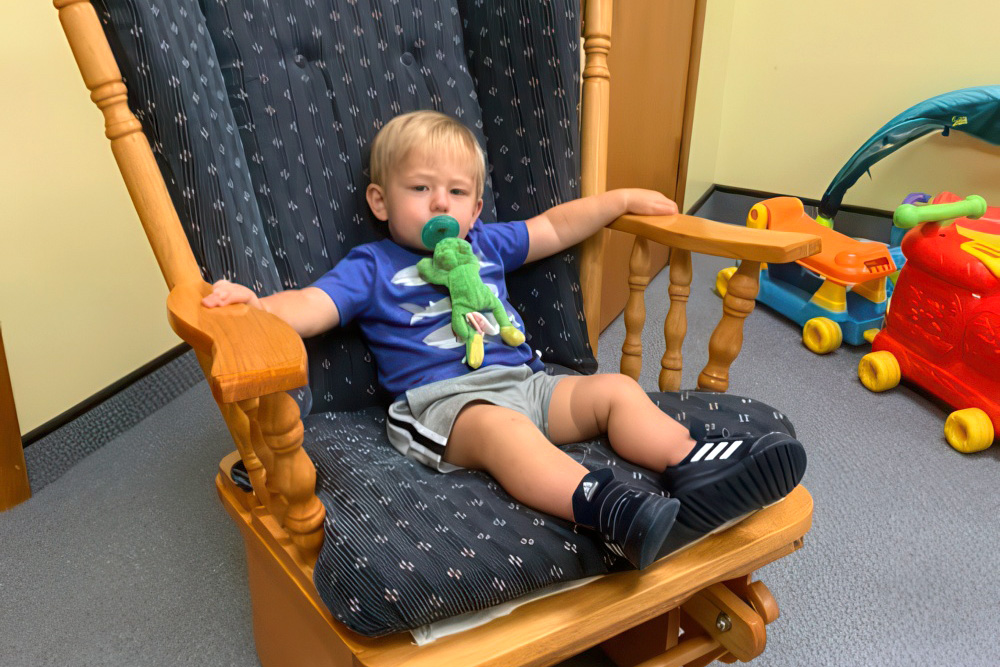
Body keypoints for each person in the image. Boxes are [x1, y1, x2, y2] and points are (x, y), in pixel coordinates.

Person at [202, 110, 806, 569]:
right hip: (445, 406)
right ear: (380, 202)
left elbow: (551, 228)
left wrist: (618, 199)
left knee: (615, 390)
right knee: (503, 430)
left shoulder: (484, 244)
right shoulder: (373, 265)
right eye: (420, 190)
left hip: (528, 382)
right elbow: (311, 306)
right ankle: (606, 507)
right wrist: (257, 308)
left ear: (476, 207)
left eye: (457, 193)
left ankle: (689, 463)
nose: (441, 201)